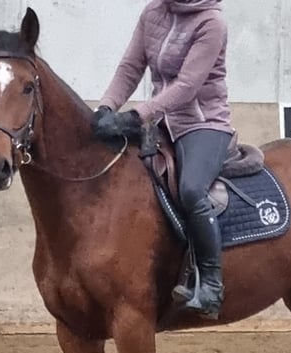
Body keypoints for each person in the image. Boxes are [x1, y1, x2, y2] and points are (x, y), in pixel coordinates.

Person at [92, 0, 234, 320]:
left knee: (192, 190)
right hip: (161, 125)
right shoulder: (153, 11)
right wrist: (105, 108)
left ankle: (211, 282)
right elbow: (130, 67)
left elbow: (186, 87)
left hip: (203, 124)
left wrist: (135, 116)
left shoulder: (211, 23)